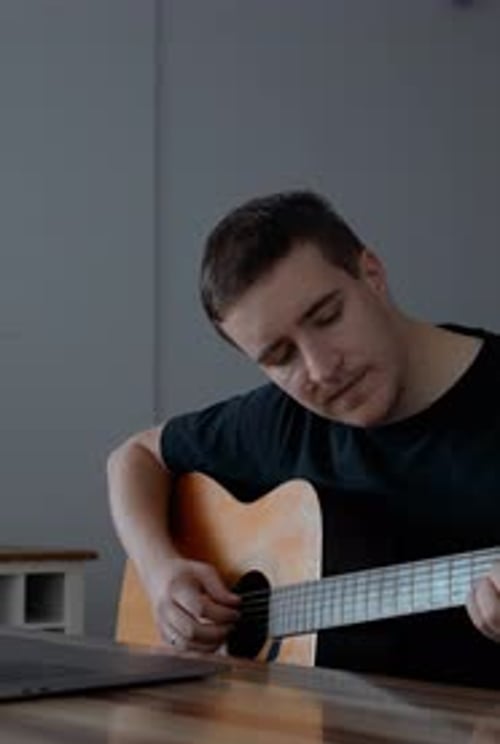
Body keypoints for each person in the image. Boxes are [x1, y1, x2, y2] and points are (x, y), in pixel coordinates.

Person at [107, 190, 500, 687]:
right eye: (279, 356)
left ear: (371, 275)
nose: (321, 368)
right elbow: (134, 456)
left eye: (327, 317)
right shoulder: (280, 422)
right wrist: (161, 571)